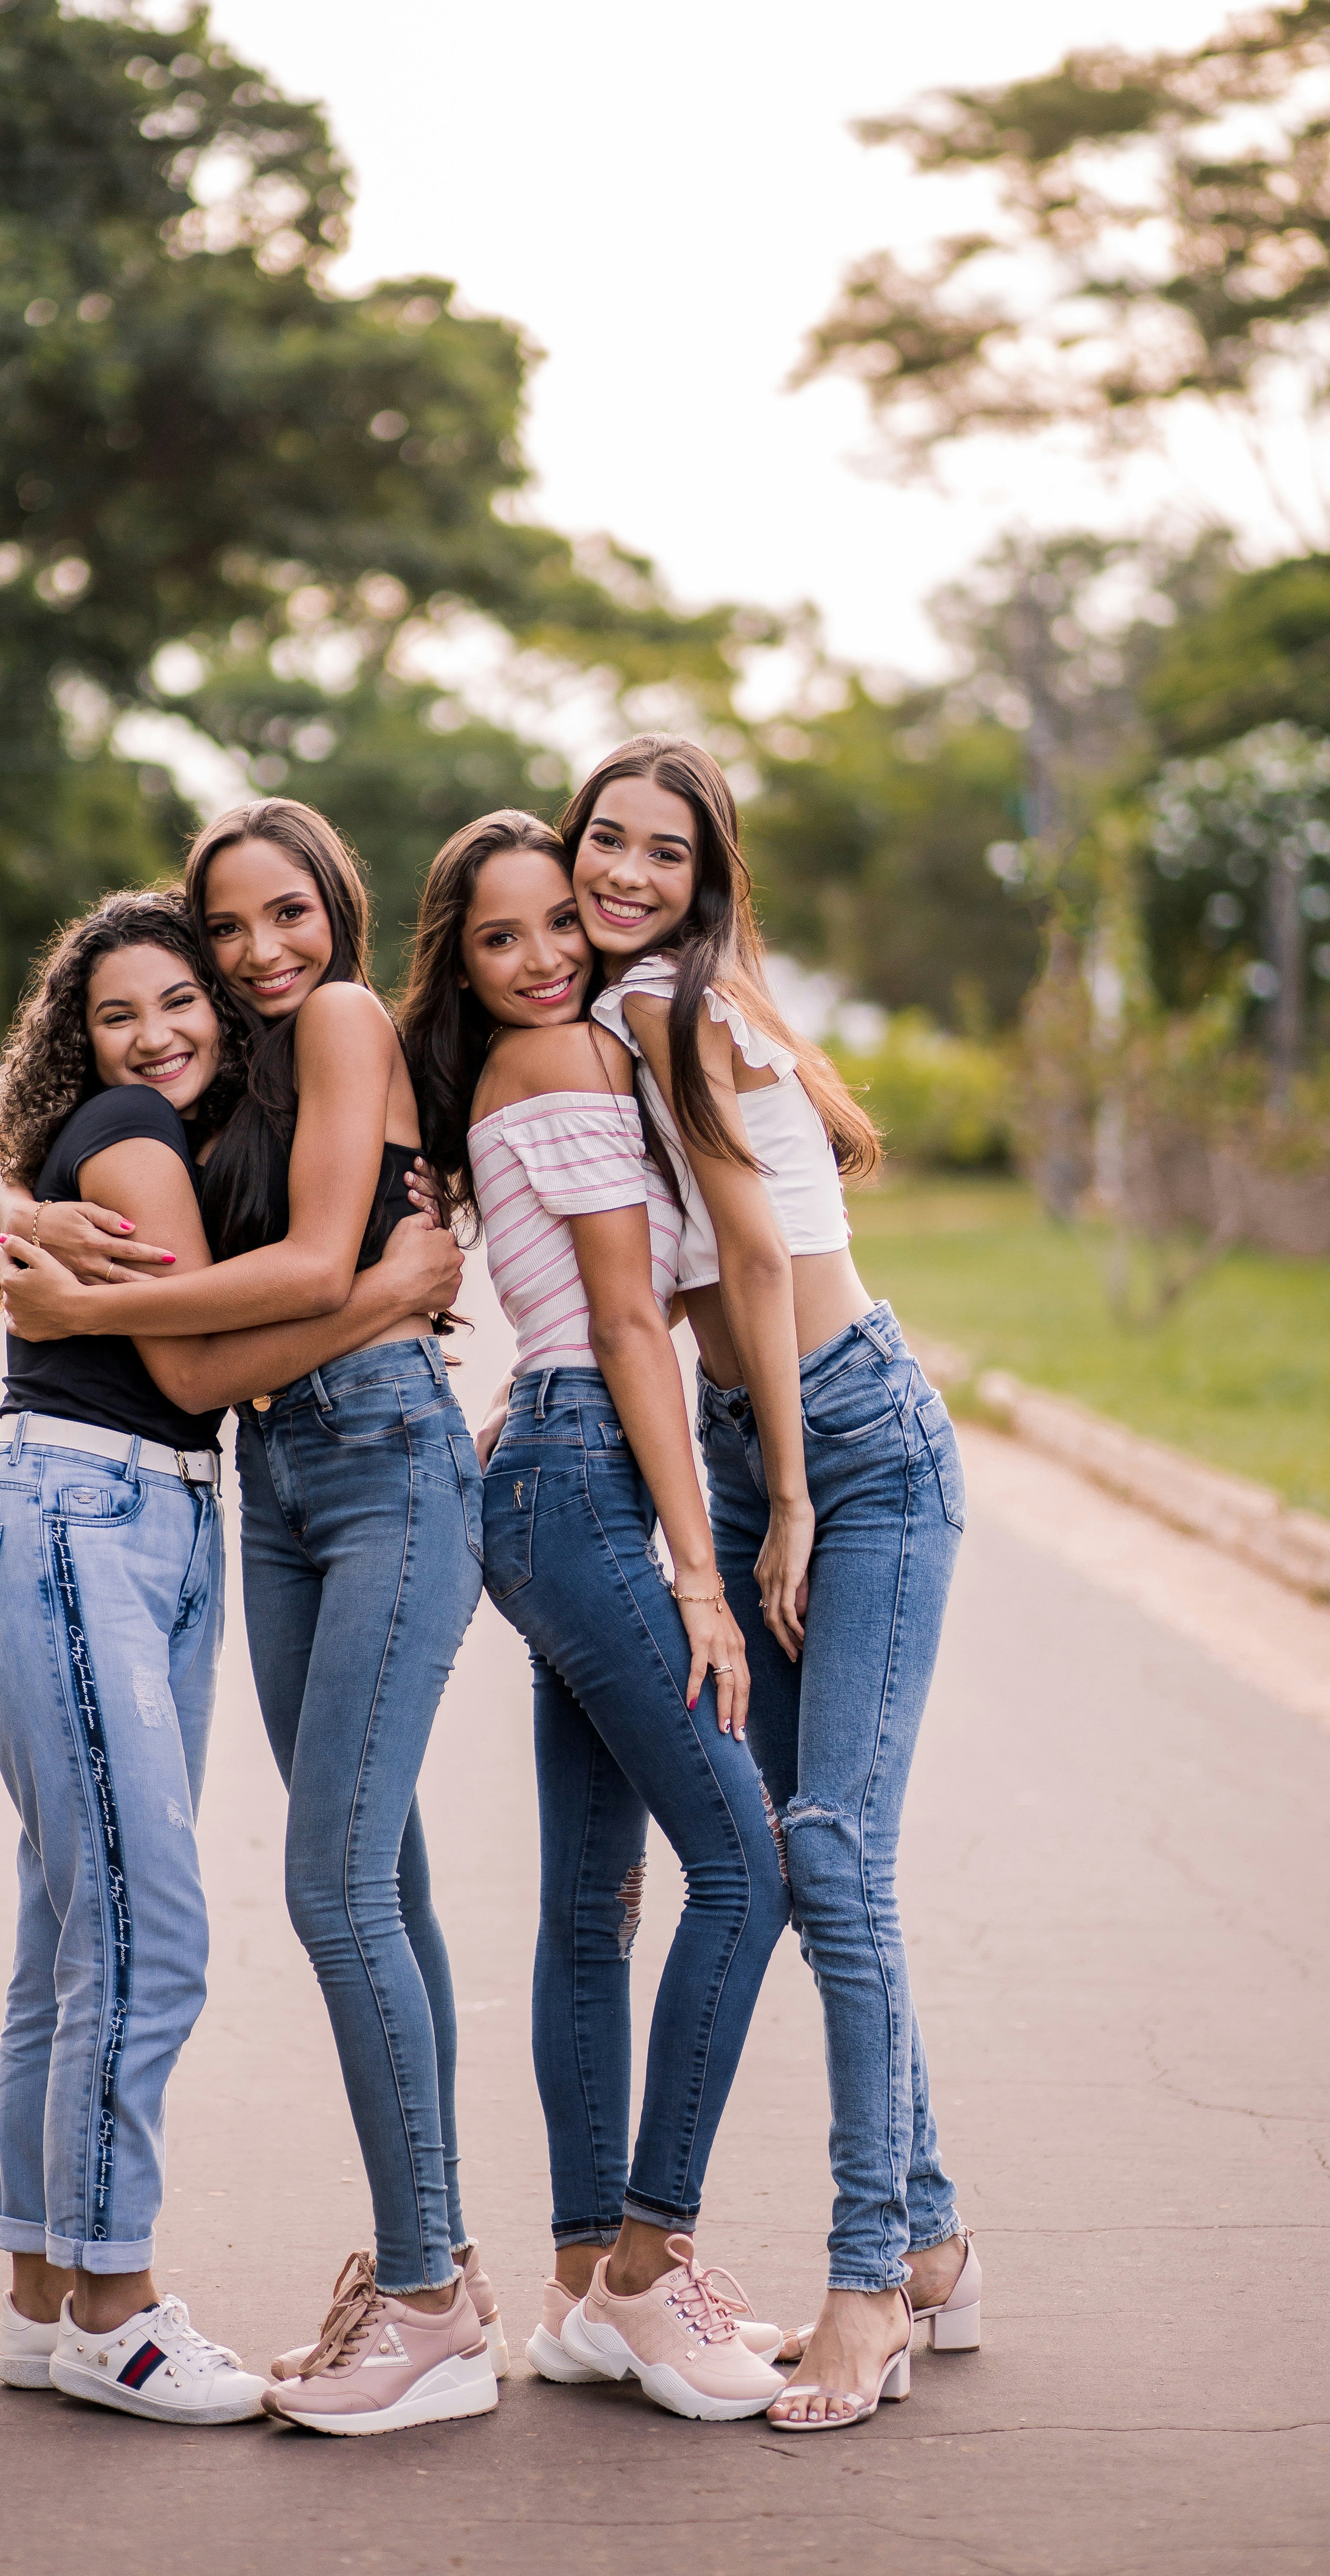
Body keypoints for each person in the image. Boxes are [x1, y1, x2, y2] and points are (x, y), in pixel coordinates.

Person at [0, 807, 502, 2437]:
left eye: (290, 915)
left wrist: (90, 1301)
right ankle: (445, 2270)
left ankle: (424, 2300)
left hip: (381, 1465)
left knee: (335, 1884)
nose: (262, 951)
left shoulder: (341, 1020)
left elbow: (300, 1261)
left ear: (339, 912)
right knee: (380, 1874)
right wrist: (18, 1204)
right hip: (278, 1482)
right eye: (230, 929)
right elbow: (91, 1144)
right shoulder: (235, 1081)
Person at [568, 734, 977, 2431]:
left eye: (667, 852)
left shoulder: (667, 1006)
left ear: (706, 876)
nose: (629, 875)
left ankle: (868, 2279)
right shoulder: (607, 1030)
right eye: (609, 840)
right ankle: (940, 2227)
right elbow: (665, 1288)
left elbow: (752, 1257)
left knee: (821, 1843)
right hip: (761, 1448)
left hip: (857, 1446)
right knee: (825, 1866)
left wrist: (788, 1502)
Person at [398, 810, 794, 2424]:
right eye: (502, 940)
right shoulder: (558, 1067)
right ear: (466, 966)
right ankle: (644, 2269)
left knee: (594, 1902)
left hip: (555, 1477)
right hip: (586, 1482)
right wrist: (701, 1571)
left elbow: (580, 1305)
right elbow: (630, 1319)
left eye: (561, 919)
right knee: (746, 1866)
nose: (550, 953)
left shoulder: (551, 1063)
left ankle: (578, 2288)